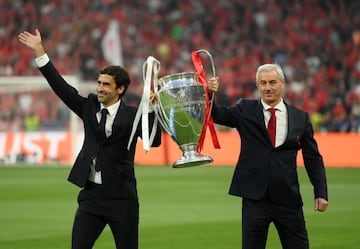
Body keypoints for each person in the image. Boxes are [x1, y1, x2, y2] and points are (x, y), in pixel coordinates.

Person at [18, 29, 162, 249]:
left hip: (122, 200)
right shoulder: (88, 107)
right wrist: (40, 50)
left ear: (120, 89)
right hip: (91, 198)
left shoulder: (133, 115)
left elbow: (154, 141)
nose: (99, 88)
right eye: (99, 83)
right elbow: (60, 87)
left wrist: (151, 108)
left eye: (106, 85)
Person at [207, 63, 328, 249]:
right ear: (257, 85)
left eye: (272, 82)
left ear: (282, 83)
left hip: (288, 199)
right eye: (263, 83)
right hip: (255, 200)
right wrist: (209, 94)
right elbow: (217, 115)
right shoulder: (244, 109)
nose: (268, 87)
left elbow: (313, 158)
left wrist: (320, 192)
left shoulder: (300, 118)